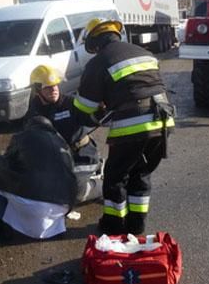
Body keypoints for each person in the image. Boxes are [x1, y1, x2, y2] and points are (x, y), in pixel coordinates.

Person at [72, 18, 175, 235]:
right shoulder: (143, 52)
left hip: (133, 125)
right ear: (116, 35)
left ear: (94, 43)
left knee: (115, 176)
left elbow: (84, 107)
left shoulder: (99, 62)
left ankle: (114, 226)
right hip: (163, 120)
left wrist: (92, 116)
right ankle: (137, 225)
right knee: (141, 173)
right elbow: (141, 86)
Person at [0, 116, 78, 239]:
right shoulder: (62, 142)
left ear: (29, 127)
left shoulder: (23, 137)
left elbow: (8, 160)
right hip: (64, 205)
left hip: (33, 201)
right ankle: (55, 229)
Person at [26, 64, 102, 203]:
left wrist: (100, 111)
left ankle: (103, 185)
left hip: (82, 156)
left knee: (75, 192)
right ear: (37, 90)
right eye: (48, 87)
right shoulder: (34, 110)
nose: (54, 89)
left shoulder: (71, 103)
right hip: (56, 158)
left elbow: (91, 119)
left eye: (55, 85)